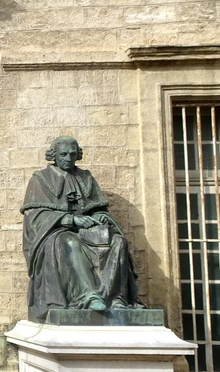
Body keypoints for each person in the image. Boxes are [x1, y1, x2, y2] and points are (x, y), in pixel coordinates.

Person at [21, 135, 143, 321]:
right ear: (53, 155)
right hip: (55, 233)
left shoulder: (86, 178)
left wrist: (99, 217)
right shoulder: (40, 179)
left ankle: (115, 297)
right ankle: (86, 296)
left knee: (118, 241)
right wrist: (69, 219)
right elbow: (34, 217)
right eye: (63, 154)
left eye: (72, 154)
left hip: (90, 232)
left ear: (78, 155)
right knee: (69, 242)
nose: (68, 158)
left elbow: (99, 208)